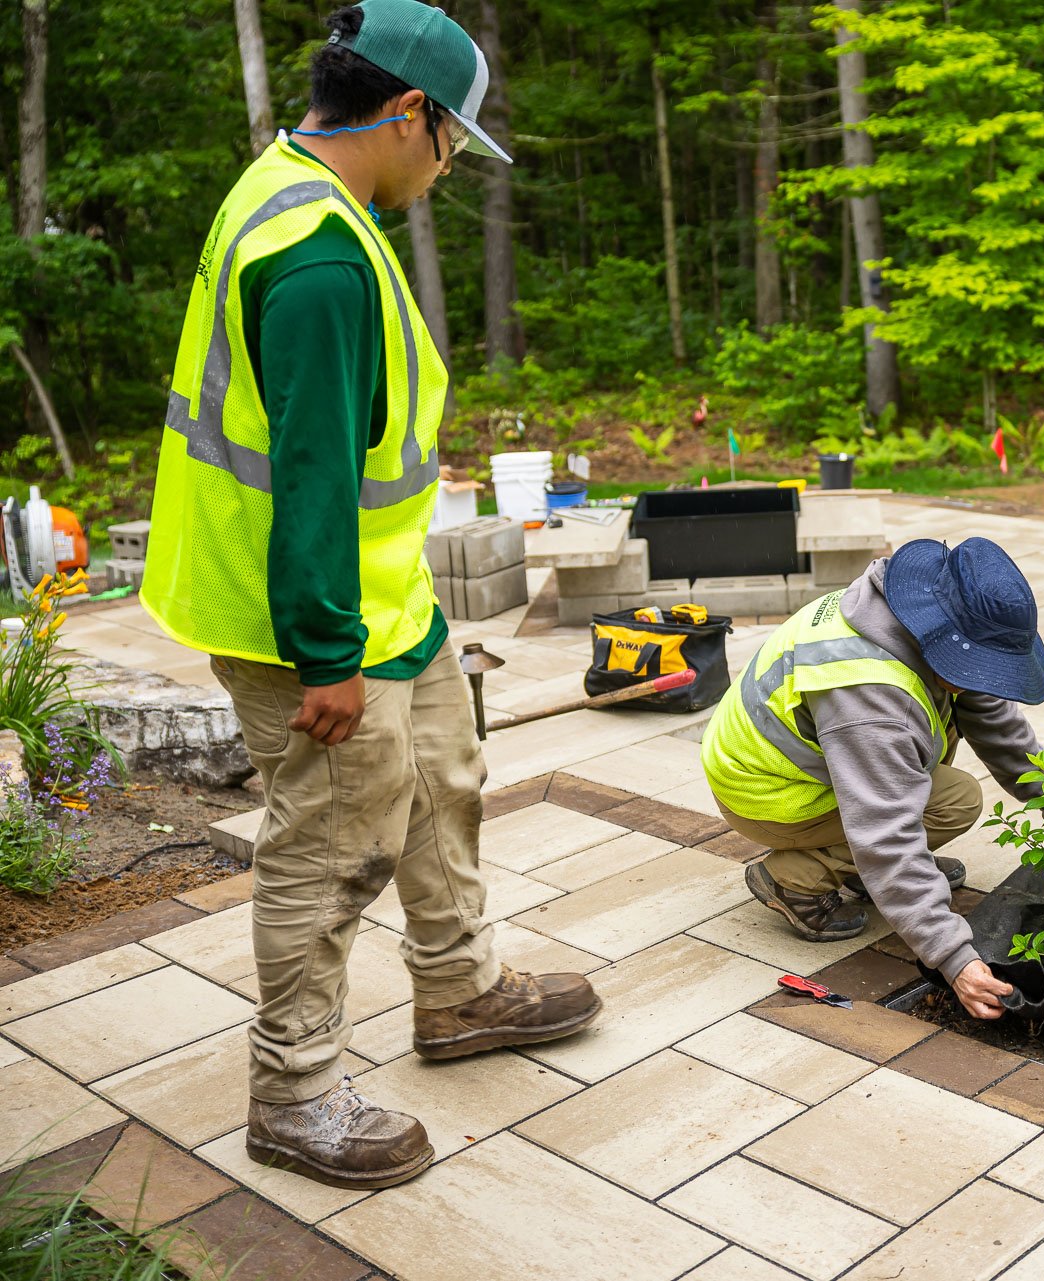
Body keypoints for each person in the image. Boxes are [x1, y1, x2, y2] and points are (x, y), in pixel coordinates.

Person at [140, 0, 598, 1191]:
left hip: (383, 600)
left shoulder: (294, 185)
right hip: (306, 620)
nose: (448, 171)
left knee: (444, 778)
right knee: (334, 846)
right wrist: (328, 654)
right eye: (452, 146)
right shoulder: (323, 262)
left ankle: (461, 993)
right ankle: (294, 1094)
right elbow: (307, 478)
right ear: (408, 115)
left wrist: (394, 617)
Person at [702, 538, 1044, 1020]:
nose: (985, 678)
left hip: (795, 757)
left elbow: (997, 725)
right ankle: (797, 878)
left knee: (939, 741)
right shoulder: (870, 694)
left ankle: (878, 879)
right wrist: (954, 956)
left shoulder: (912, 610)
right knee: (954, 801)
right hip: (769, 793)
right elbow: (885, 834)